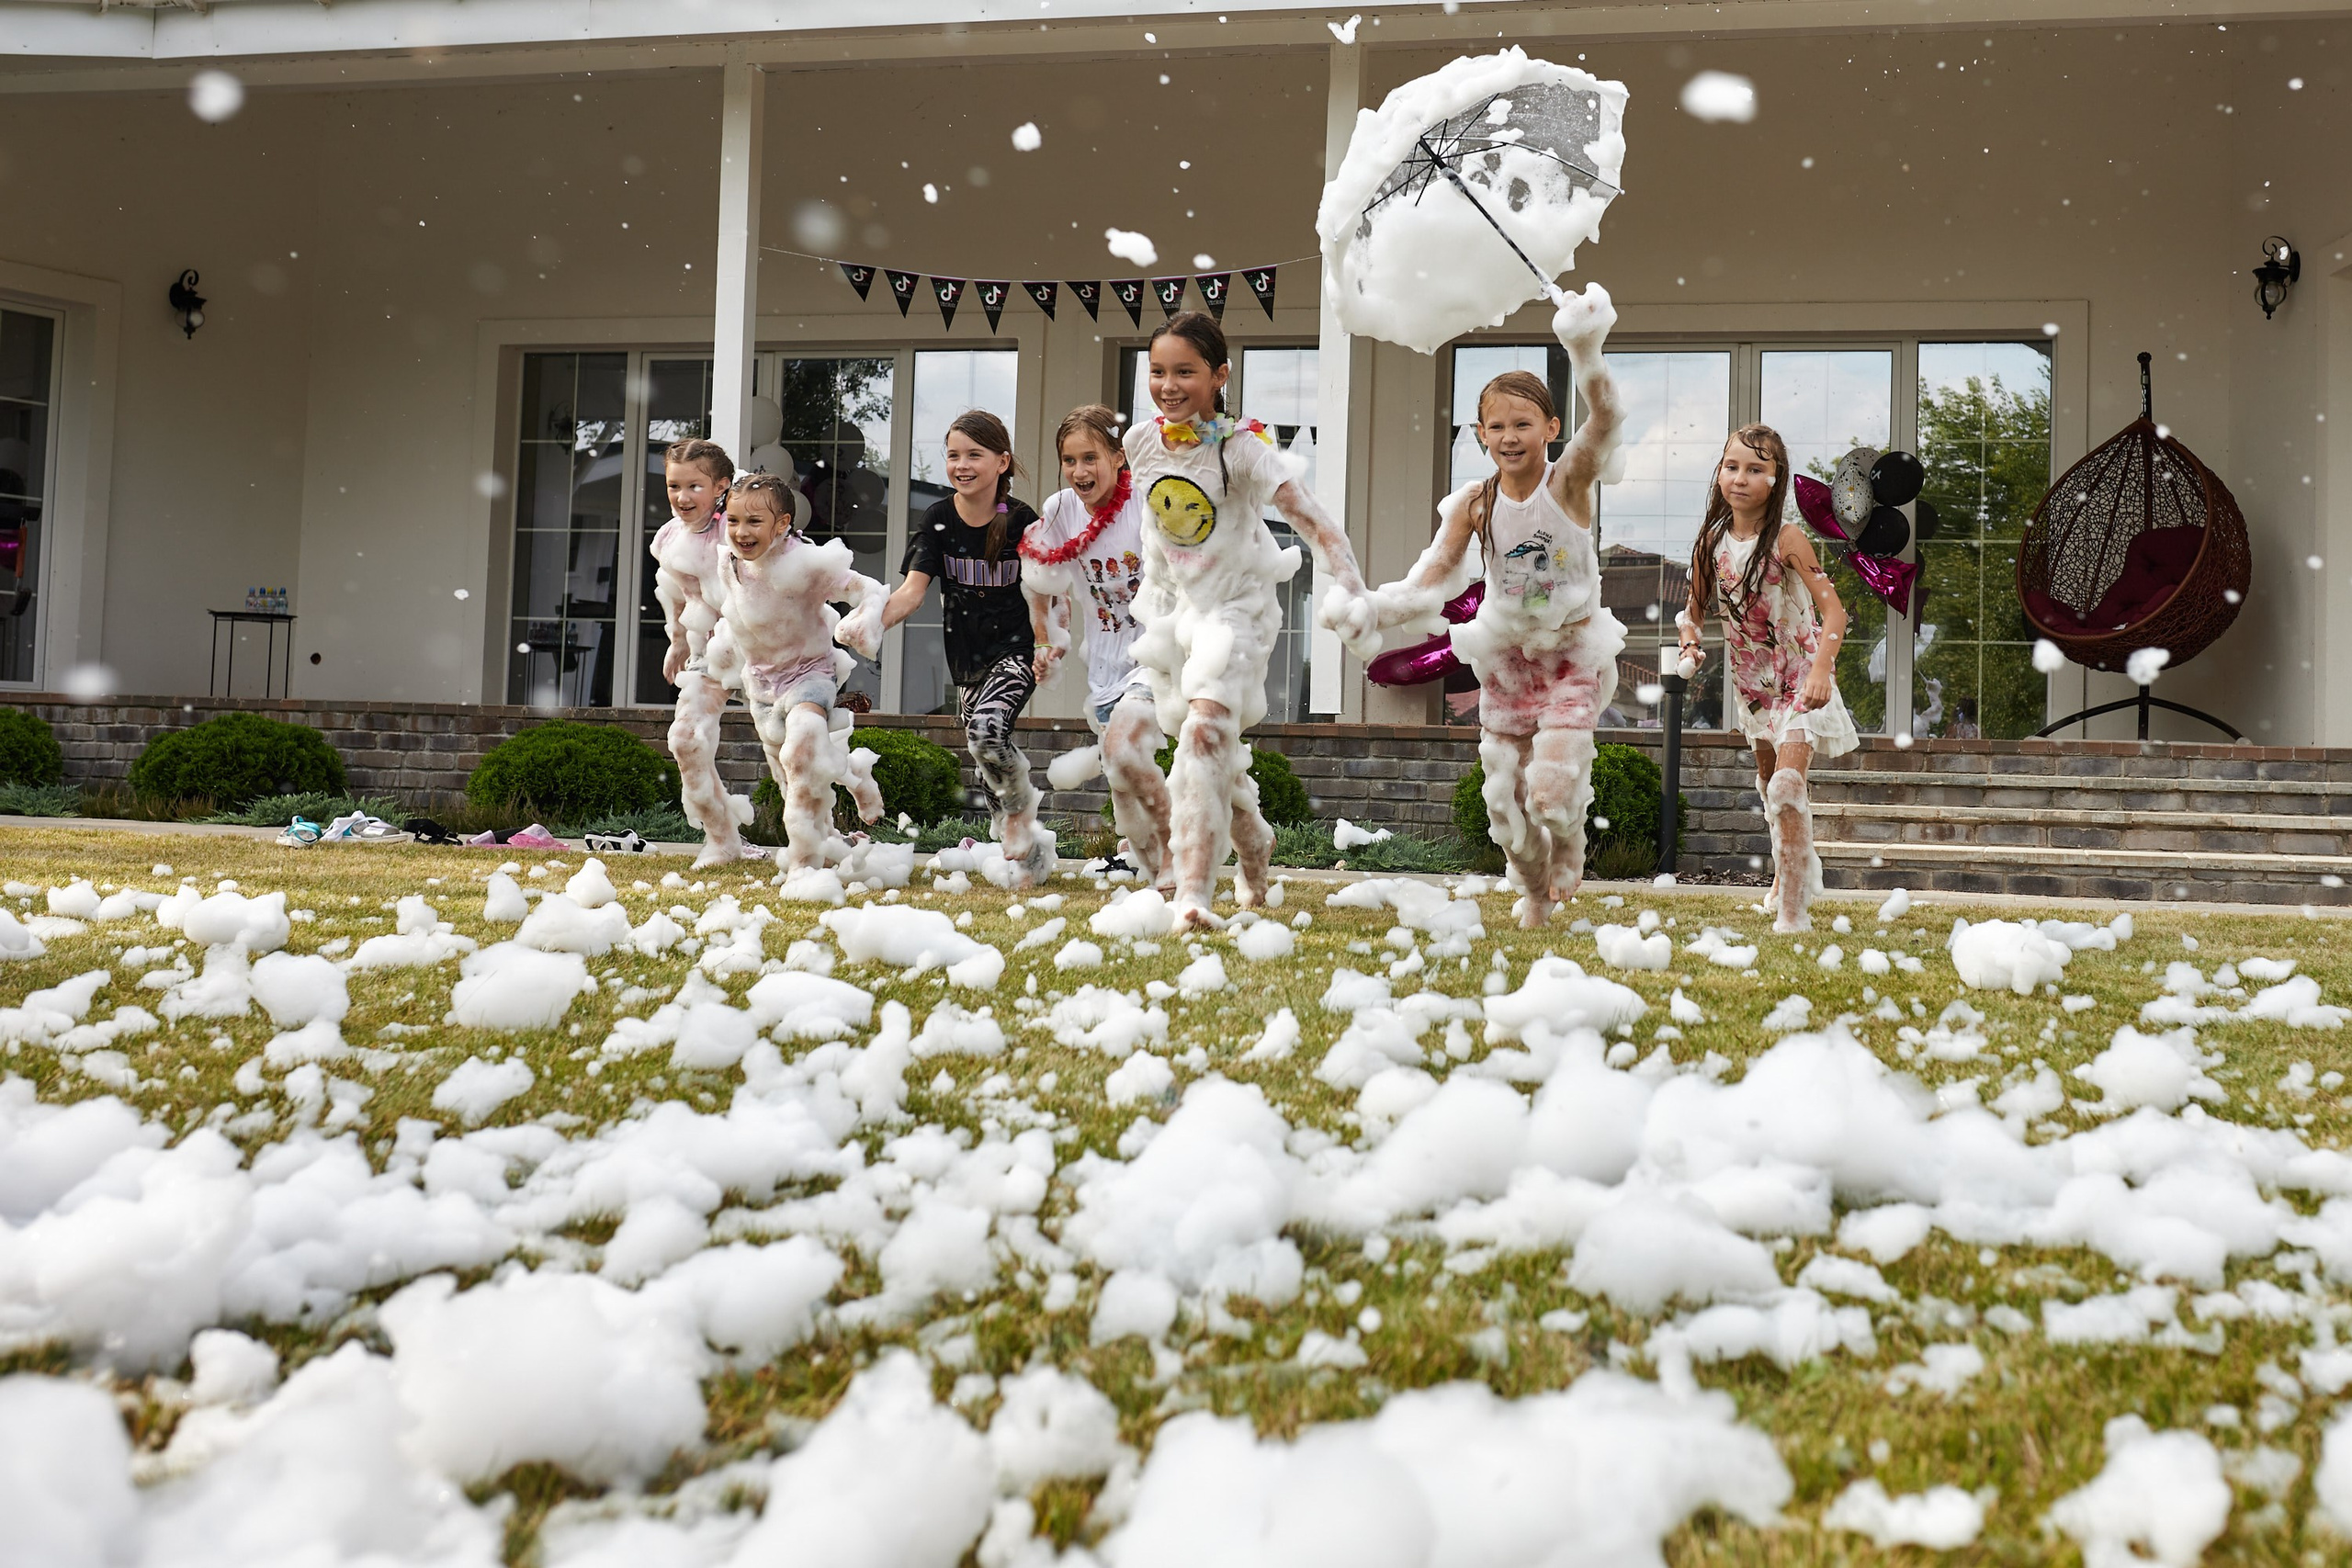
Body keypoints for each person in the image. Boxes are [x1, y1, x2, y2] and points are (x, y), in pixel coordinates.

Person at [1362, 286, 1624, 927]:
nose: (1510, 436)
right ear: (1480, 434)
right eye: (1497, 426)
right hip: (1507, 662)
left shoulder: (1568, 483)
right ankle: (1533, 890)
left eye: (1523, 423)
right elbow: (1430, 578)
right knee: (1505, 809)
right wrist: (1373, 609)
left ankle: (1569, 842)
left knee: (1552, 790)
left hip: (1570, 656)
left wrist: (1586, 347)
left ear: (1551, 429)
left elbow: (1606, 420)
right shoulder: (1476, 503)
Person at [1124, 310, 1381, 929]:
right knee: (1208, 745)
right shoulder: (1139, 442)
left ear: (1220, 376)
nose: (1168, 385)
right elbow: (1157, 538)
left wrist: (1352, 589)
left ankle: (1193, 893)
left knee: (1203, 734)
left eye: (1185, 372)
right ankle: (1254, 839)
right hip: (1179, 614)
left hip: (1240, 611)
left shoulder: (1242, 450)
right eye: (1157, 371)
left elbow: (1315, 520)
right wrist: (1153, 614)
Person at [1678, 424, 1858, 933]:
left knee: (1785, 787)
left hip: (1801, 679)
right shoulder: (1710, 544)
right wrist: (1690, 642)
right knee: (1768, 787)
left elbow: (1836, 613)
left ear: (1776, 480)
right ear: (1719, 473)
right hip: (1752, 687)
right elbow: (1692, 611)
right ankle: (1787, 870)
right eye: (1732, 466)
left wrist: (1821, 670)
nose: (1740, 478)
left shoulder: (1787, 539)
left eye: (1755, 469)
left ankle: (1793, 911)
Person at [881, 411, 1054, 887]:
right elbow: (911, 593)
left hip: (1016, 650)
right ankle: (1026, 853)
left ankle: (1018, 816)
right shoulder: (938, 519)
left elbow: (1044, 591)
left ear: (1002, 462)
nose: (962, 465)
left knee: (986, 732)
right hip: (966, 661)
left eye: (974, 455)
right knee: (985, 757)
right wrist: (865, 625)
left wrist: (1045, 643)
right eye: (953, 455)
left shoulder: (1022, 521)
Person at [705, 472, 887, 892]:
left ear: (783, 524)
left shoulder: (806, 562)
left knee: (801, 753)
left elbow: (868, 590)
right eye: (734, 521)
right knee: (793, 778)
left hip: (810, 674)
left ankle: (804, 864)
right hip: (761, 685)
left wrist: (862, 620)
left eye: (754, 521)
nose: (741, 531)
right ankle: (854, 775)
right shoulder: (729, 562)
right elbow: (736, 613)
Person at [1022, 404, 1170, 885]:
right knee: (1122, 784)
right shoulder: (1060, 510)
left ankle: (1177, 851)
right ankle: (1151, 871)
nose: (1079, 470)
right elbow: (1040, 579)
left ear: (1118, 457)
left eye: (1090, 458)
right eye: (1069, 460)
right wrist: (1046, 639)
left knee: (1123, 750)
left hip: (1154, 652)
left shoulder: (1144, 501)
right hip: (1104, 664)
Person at [649, 436, 759, 871]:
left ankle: (817, 838)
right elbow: (678, 592)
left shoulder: (739, 525)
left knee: (787, 750)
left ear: (721, 487)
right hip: (710, 649)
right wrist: (678, 639)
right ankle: (722, 840)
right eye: (673, 486)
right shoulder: (668, 538)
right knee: (685, 738)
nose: (682, 497)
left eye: (694, 486)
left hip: (761, 649)